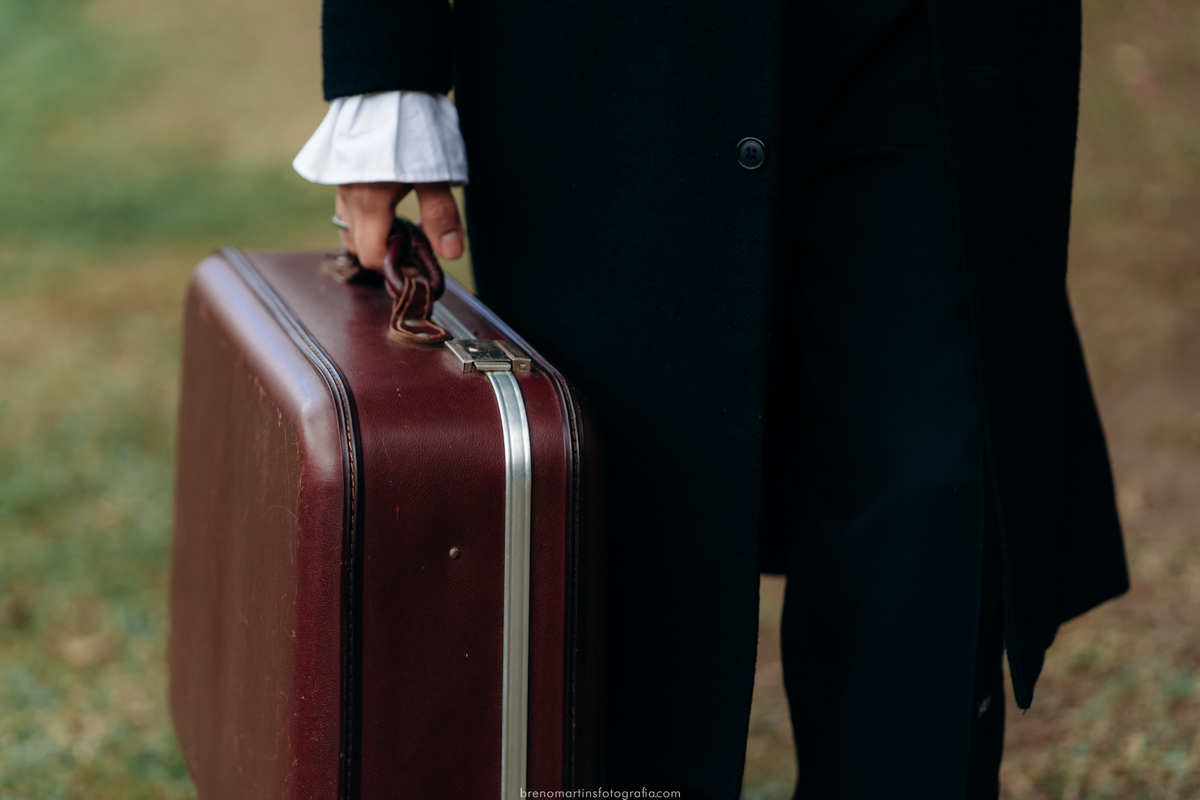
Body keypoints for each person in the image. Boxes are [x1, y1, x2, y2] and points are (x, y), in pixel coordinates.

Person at [294, 1, 1130, 797]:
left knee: (933, 494)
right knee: (631, 531)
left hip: (927, 36)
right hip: (616, 51)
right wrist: (386, 66)